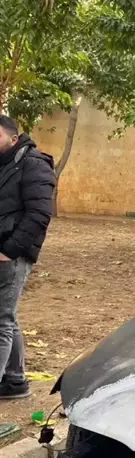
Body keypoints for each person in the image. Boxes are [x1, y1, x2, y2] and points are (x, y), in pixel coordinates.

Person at [0, 115, 55, 400]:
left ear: (13, 137)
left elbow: (39, 215)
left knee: (1, 322)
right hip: (3, 251)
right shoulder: (6, 163)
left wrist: (10, 250)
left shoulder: (33, 164)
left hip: (13, 255)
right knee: (6, 317)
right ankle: (16, 380)